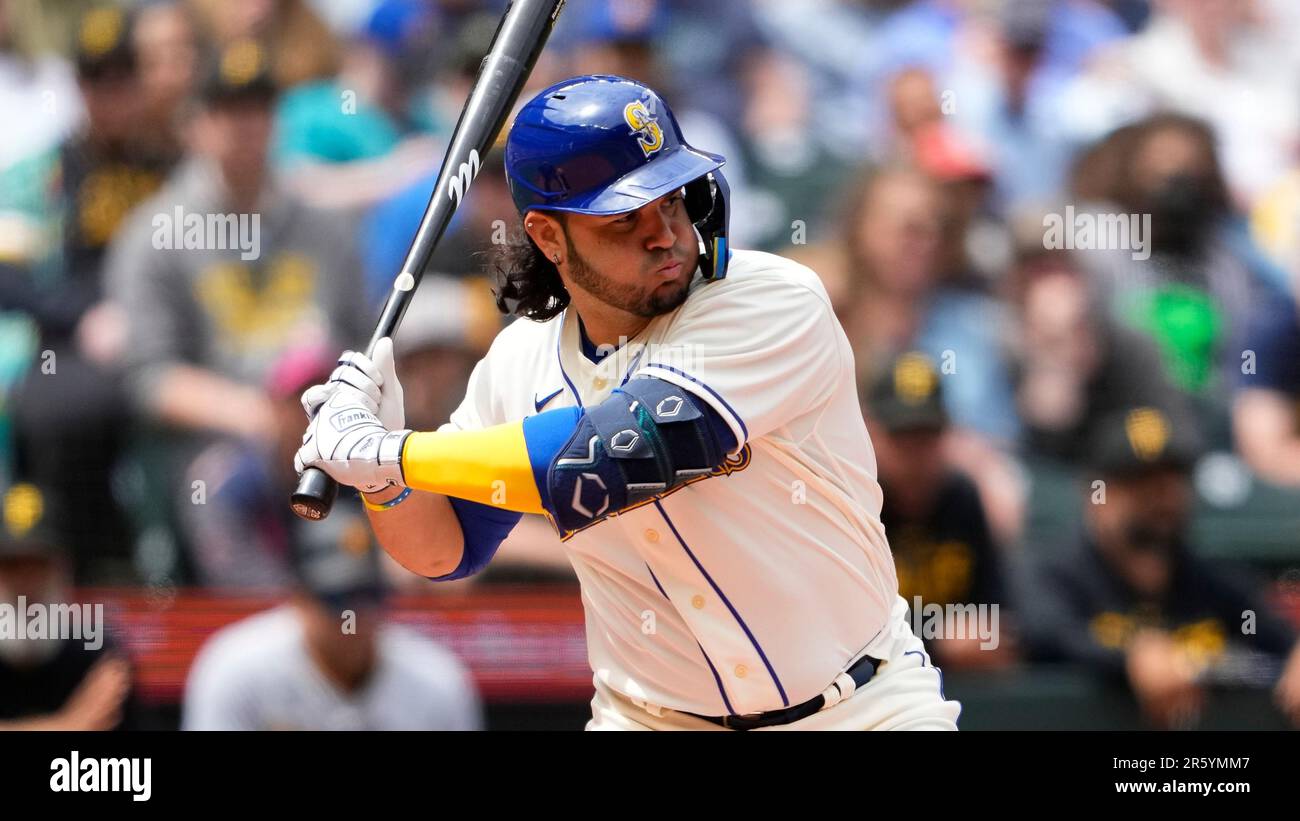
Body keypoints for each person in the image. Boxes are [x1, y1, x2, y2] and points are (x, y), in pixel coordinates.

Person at [295, 75, 961, 731]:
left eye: (672, 201)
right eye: (625, 219)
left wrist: (397, 451)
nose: (665, 235)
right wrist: (383, 478)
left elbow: (615, 456)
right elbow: (441, 550)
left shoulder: (771, 299)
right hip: (650, 718)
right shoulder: (518, 362)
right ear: (549, 237)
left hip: (862, 709)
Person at [1023, 405, 1300, 729]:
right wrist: (1129, 656)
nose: (1161, 497)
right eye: (1140, 481)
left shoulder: (1211, 581)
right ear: (1095, 493)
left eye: (1172, 479)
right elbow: (1042, 634)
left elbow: (1277, 636)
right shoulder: (1054, 574)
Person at [181, 507, 482, 731]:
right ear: (299, 598)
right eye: (337, 599)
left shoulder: (437, 681)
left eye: (367, 595)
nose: (355, 616)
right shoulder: (237, 668)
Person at [864, 352, 1016, 671]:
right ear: (871, 434)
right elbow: (846, 627)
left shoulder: (962, 497)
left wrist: (986, 636)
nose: (916, 456)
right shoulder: (857, 504)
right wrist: (937, 641)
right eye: (902, 439)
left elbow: (1003, 614)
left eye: (927, 437)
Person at [0, 483, 139, 730]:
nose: (25, 585)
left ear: (63, 570)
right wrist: (69, 725)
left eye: (38, 566)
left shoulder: (96, 656)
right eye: (12, 567)